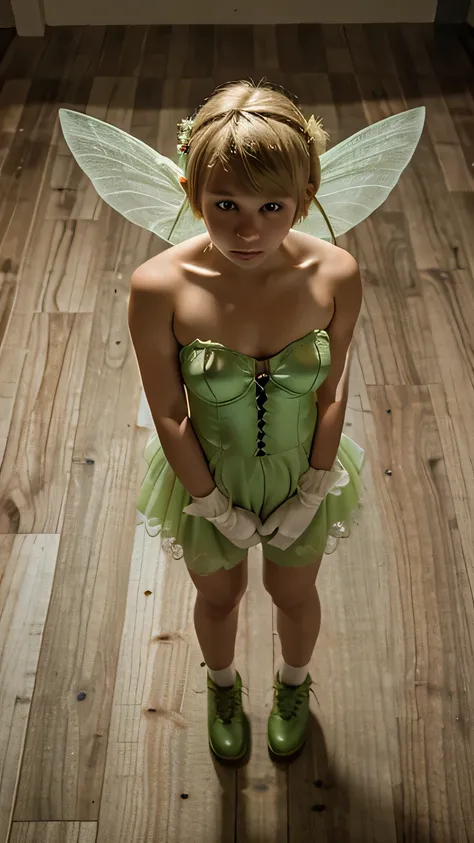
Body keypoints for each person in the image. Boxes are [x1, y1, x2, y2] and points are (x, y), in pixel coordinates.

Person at [127, 79, 365, 762]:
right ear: (189, 189)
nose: (248, 229)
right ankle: (223, 685)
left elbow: (334, 383)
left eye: (273, 206)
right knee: (221, 593)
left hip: (304, 466)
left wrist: (317, 484)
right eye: (223, 204)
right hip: (203, 472)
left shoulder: (337, 273)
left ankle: (294, 682)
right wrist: (209, 501)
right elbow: (169, 410)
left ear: (306, 197)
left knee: (295, 591)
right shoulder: (157, 287)